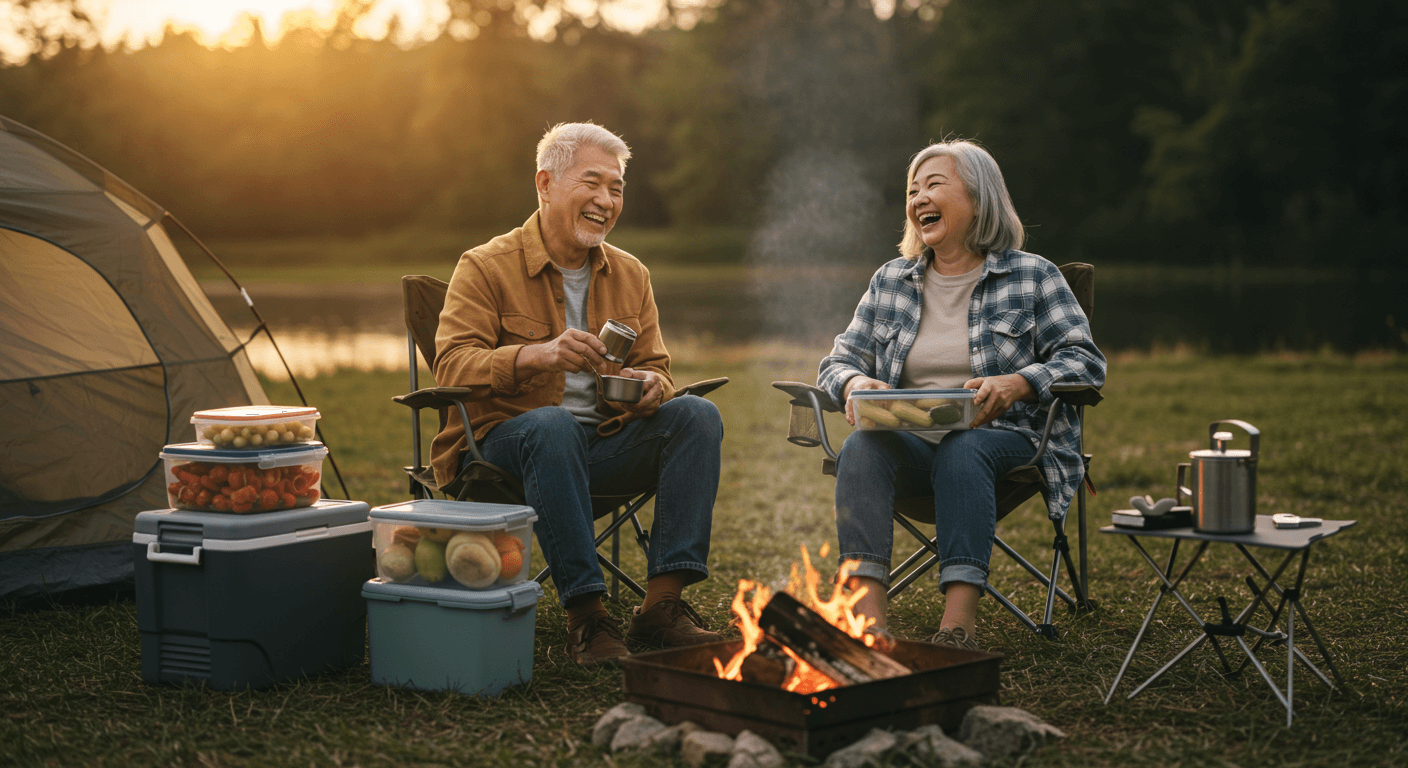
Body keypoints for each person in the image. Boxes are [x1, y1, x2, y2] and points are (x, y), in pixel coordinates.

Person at [431, 122, 724, 667]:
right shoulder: (484, 266)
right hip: (502, 453)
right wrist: (535, 354)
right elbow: (450, 364)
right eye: (592, 183)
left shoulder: (631, 274)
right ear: (545, 183)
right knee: (552, 423)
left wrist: (650, 389)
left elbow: (656, 367)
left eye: (616, 188)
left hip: (601, 448)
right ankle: (587, 616)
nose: (606, 200)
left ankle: (662, 607)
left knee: (696, 415)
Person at [817, 139, 1105, 650]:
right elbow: (838, 363)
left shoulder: (1034, 276)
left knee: (963, 446)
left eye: (934, 185)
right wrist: (856, 383)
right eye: (912, 190)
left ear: (978, 196)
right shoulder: (891, 281)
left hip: (1005, 440)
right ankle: (868, 623)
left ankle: (958, 626)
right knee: (862, 445)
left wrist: (1019, 382)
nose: (918, 198)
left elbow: (1085, 362)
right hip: (910, 440)